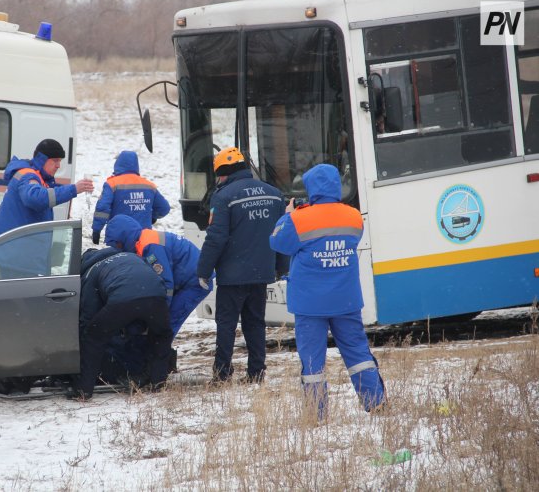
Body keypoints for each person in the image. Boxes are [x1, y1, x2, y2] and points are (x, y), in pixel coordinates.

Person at [269, 163, 385, 419]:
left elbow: (277, 242)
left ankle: (316, 413)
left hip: (310, 304)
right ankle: (375, 402)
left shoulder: (299, 219)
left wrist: (288, 214)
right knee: (358, 354)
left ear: (310, 188)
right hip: (346, 299)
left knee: (312, 363)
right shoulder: (353, 216)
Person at [196, 147, 287, 383]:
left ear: (224, 173)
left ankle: (222, 373)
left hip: (232, 276)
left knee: (226, 324)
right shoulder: (274, 194)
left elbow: (216, 238)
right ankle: (256, 372)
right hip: (261, 273)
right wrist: (281, 267)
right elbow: (281, 234)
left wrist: (203, 271)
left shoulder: (224, 197)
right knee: (255, 323)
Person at [68, 247, 173, 400]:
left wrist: (87, 333)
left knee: (93, 338)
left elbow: (88, 314)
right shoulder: (133, 256)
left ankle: (83, 391)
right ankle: (158, 382)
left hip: (122, 300)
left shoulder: (92, 270)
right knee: (162, 335)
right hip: (156, 295)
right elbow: (149, 283)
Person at [104, 214, 212, 336]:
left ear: (124, 237)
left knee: (168, 321)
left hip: (196, 282)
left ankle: (161, 353)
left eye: (118, 245)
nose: (118, 249)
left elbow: (166, 284)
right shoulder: (143, 240)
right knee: (163, 322)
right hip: (189, 276)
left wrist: (158, 313)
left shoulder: (150, 247)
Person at [0, 138, 93, 236]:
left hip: (17, 242)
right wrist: (74, 189)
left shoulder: (37, 176)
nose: (58, 165)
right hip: (14, 244)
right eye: (55, 160)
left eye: (60, 161)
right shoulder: (28, 176)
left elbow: (48, 192)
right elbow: (35, 198)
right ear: (42, 160)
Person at [91, 150, 170, 243]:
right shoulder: (149, 185)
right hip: (143, 237)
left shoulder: (112, 184)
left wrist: (97, 230)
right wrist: (152, 216)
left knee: (119, 257)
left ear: (117, 164)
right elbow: (164, 208)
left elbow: (102, 207)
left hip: (119, 235)